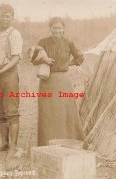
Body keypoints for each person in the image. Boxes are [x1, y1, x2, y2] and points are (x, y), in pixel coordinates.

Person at [32, 17, 85, 146]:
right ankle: (47, 143)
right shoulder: (42, 42)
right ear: (50, 29)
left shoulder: (68, 42)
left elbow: (79, 58)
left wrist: (66, 63)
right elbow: (33, 60)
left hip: (63, 81)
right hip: (47, 82)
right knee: (48, 113)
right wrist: (44, 60)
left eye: (59, 28)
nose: (57, 30)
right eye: (54, 28)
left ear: (63, 29)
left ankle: (68, 142)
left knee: (65, 112)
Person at [0, 4, 23, 153]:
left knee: (11, 113)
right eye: (2, 15)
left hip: (8, 76)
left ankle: (13, 147)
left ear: (12, 18)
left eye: (8, 16)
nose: (4, 19)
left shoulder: (14, 34)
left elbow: (16, 58)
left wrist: (1, 70)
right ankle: (4, 144)